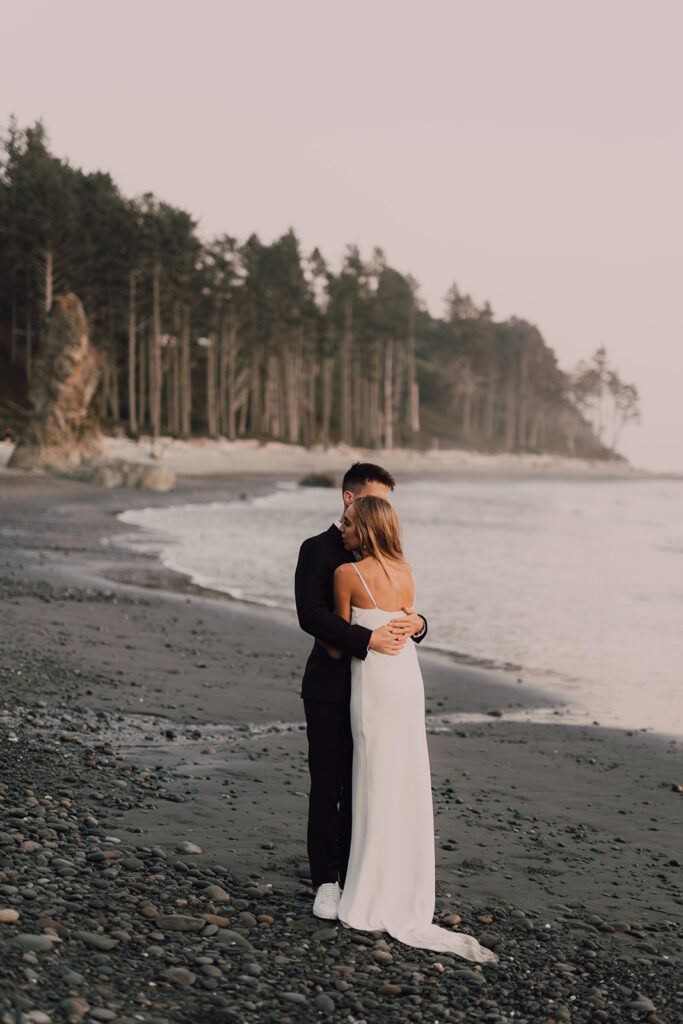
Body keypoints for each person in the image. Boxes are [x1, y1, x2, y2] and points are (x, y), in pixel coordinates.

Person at [331, 496, 497, 962]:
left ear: (365, 528)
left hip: (376, 681)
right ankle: (402, 884)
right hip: (407, 678)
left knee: (371, 777)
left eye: (348, 524)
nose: (341, 529)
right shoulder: (405, 570)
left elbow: (339, 645)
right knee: (403, 776)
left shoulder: (347, 574)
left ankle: (367, 890)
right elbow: (409, 623)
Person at [294, 463, 428, 920]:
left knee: (367, 783)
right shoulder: (317, 549)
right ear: (352, 500)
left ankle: (361, 877)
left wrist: (421, 624)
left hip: (382, 687)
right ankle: (326, 882)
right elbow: (311, 615)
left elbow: (407, 610)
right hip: (331, 687)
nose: (385, 511)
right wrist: (365, 640)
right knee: (328, 783)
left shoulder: (393, 560)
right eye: (378, 501)